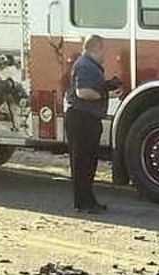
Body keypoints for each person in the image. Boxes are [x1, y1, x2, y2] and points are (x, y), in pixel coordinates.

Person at [66, 35, 121, 213]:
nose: (105, 53)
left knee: (87, 163)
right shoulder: (85, 66)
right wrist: (106, 94)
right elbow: (83, 92)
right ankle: (83, 203)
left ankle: (87, 201)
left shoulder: (89, 65)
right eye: (103, 49)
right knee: (83, 164)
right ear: (96, 48)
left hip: (85, 118)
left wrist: (106, 86)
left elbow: (92, 89)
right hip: (82, 119)